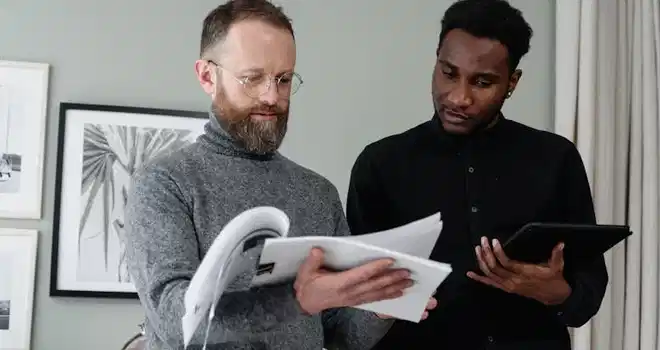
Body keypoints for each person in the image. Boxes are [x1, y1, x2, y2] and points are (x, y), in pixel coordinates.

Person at [123, 1, 435, 349]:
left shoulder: (317, 193)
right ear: (207, 76)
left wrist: (380, 306)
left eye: (283, 79)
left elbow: (340, 335)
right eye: (252, 78)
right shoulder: (164, 184)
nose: (272, 96)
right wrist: (295, 302)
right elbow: (176, 322)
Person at [345, 0, 608, 349]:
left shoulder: (556, 159)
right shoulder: (380, 165)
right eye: (448, 73)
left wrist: (556, 294)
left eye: (482, 82)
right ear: (436, 60)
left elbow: (586, 292)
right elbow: (354, 306)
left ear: (512, 82)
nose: (459, 97)